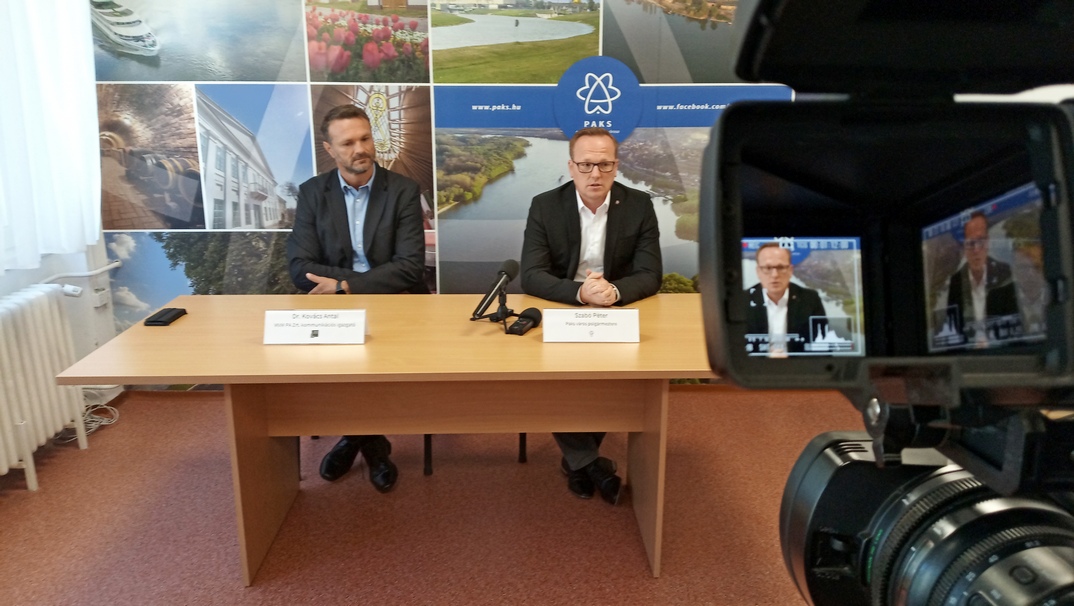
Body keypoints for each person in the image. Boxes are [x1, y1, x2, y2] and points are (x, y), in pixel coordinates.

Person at [286, 104, 427, 493]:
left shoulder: (403, 190)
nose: (360, 149)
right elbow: (300, 268)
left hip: (397, 302)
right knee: (338, 365)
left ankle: (354, 440)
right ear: (329, 149)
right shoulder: (312, 193)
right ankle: (373, 445)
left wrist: (344, 285)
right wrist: (350, 288)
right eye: (347, 143)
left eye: (365, 138)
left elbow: (410, 267)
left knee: (380, 361)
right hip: (337, 307)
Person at [520, 127, 662, 504]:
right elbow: (531, 274)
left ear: (617, 166)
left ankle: (578, 462)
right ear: (571, 167)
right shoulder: (545, 205)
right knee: (554, 378)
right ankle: (589, 463)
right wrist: (580, 292)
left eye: (604, 164)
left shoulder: (639, 205)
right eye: (585, 165)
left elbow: (650, 274)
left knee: (614, 379)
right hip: (565, 306)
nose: (595, 174)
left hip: (615, 308)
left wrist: (613, 291)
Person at [946, 212, 1017, 344]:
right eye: (970, 243)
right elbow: (954, 333)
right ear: (964, 246)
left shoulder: (1004, 272)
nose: (976, 249)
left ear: (988, 242)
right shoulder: (956, 281)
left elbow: (1013, 326)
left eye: (980, 241)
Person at [745, 242, 827, 355]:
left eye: (780, 267)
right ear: (758, 272)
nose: (774, 275)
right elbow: (736, 350)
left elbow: (822, 345)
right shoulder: (743, 300)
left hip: (799, 365)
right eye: (768, 268)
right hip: (756, 366)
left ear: (790, 270)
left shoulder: (810, 299)